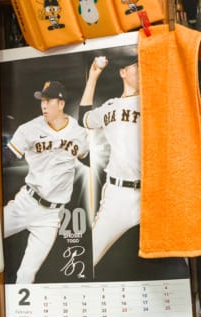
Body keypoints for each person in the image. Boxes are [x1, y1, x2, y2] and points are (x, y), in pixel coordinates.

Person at [3, 80, 89, 284]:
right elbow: (7, 156)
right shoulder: (29, 129)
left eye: (48, 100)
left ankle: (22, 314)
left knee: (26, 275)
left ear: (61, 104)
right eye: (42, 100)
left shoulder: (77, 133)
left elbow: (86, 156)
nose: (43, 104)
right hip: (26, 203)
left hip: (51, 217)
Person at [79, 53, 141, 265]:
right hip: (119, 194)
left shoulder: (153, 101)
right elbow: (84, 117)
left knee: (174, 260)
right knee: (88, 260)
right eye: (137, 66)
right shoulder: (110, 106)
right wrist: (93, 76)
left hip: (152, 195)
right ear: (123, 72)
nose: (142, 69)